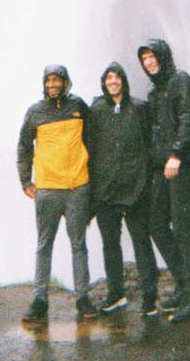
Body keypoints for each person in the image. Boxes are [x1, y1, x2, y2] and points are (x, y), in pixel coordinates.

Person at [17, 63, 98, 323]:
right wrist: (25, 181)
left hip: (77, 187)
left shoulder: (78, 106)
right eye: (48, 80)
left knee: (78, 244)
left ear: (65, 82)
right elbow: (24, 146)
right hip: (48, 189)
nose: (52, 85)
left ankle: (82, 297)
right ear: (44, 84)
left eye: (57, 80)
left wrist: (93, 179)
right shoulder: (35, 112)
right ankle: (40, 299)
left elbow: (93, 140)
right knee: (44, 245)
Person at [138, 39, 190, 324]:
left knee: (181, 225)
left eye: (153, 56)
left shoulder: (181, 82)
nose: (149, 62)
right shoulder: (155, 93)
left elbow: (189, 119)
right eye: (144, 59)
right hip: (163, 169)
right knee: (156, 224)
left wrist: (177, 155)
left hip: (182, 165)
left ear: (163, 57)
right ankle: (184, 283)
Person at [88, 62, 158, 316]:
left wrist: (146, 179)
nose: (113, 81)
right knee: (110, 243)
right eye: (109, 77)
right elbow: (89, 146)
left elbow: (151, 144)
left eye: (117, 77)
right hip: (106, 190)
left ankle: (150, 297)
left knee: (141, 241)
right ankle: (116, 294)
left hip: (135, 188)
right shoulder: (96, 110)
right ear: (104, 82)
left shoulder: (139, 108)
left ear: (124, 81)